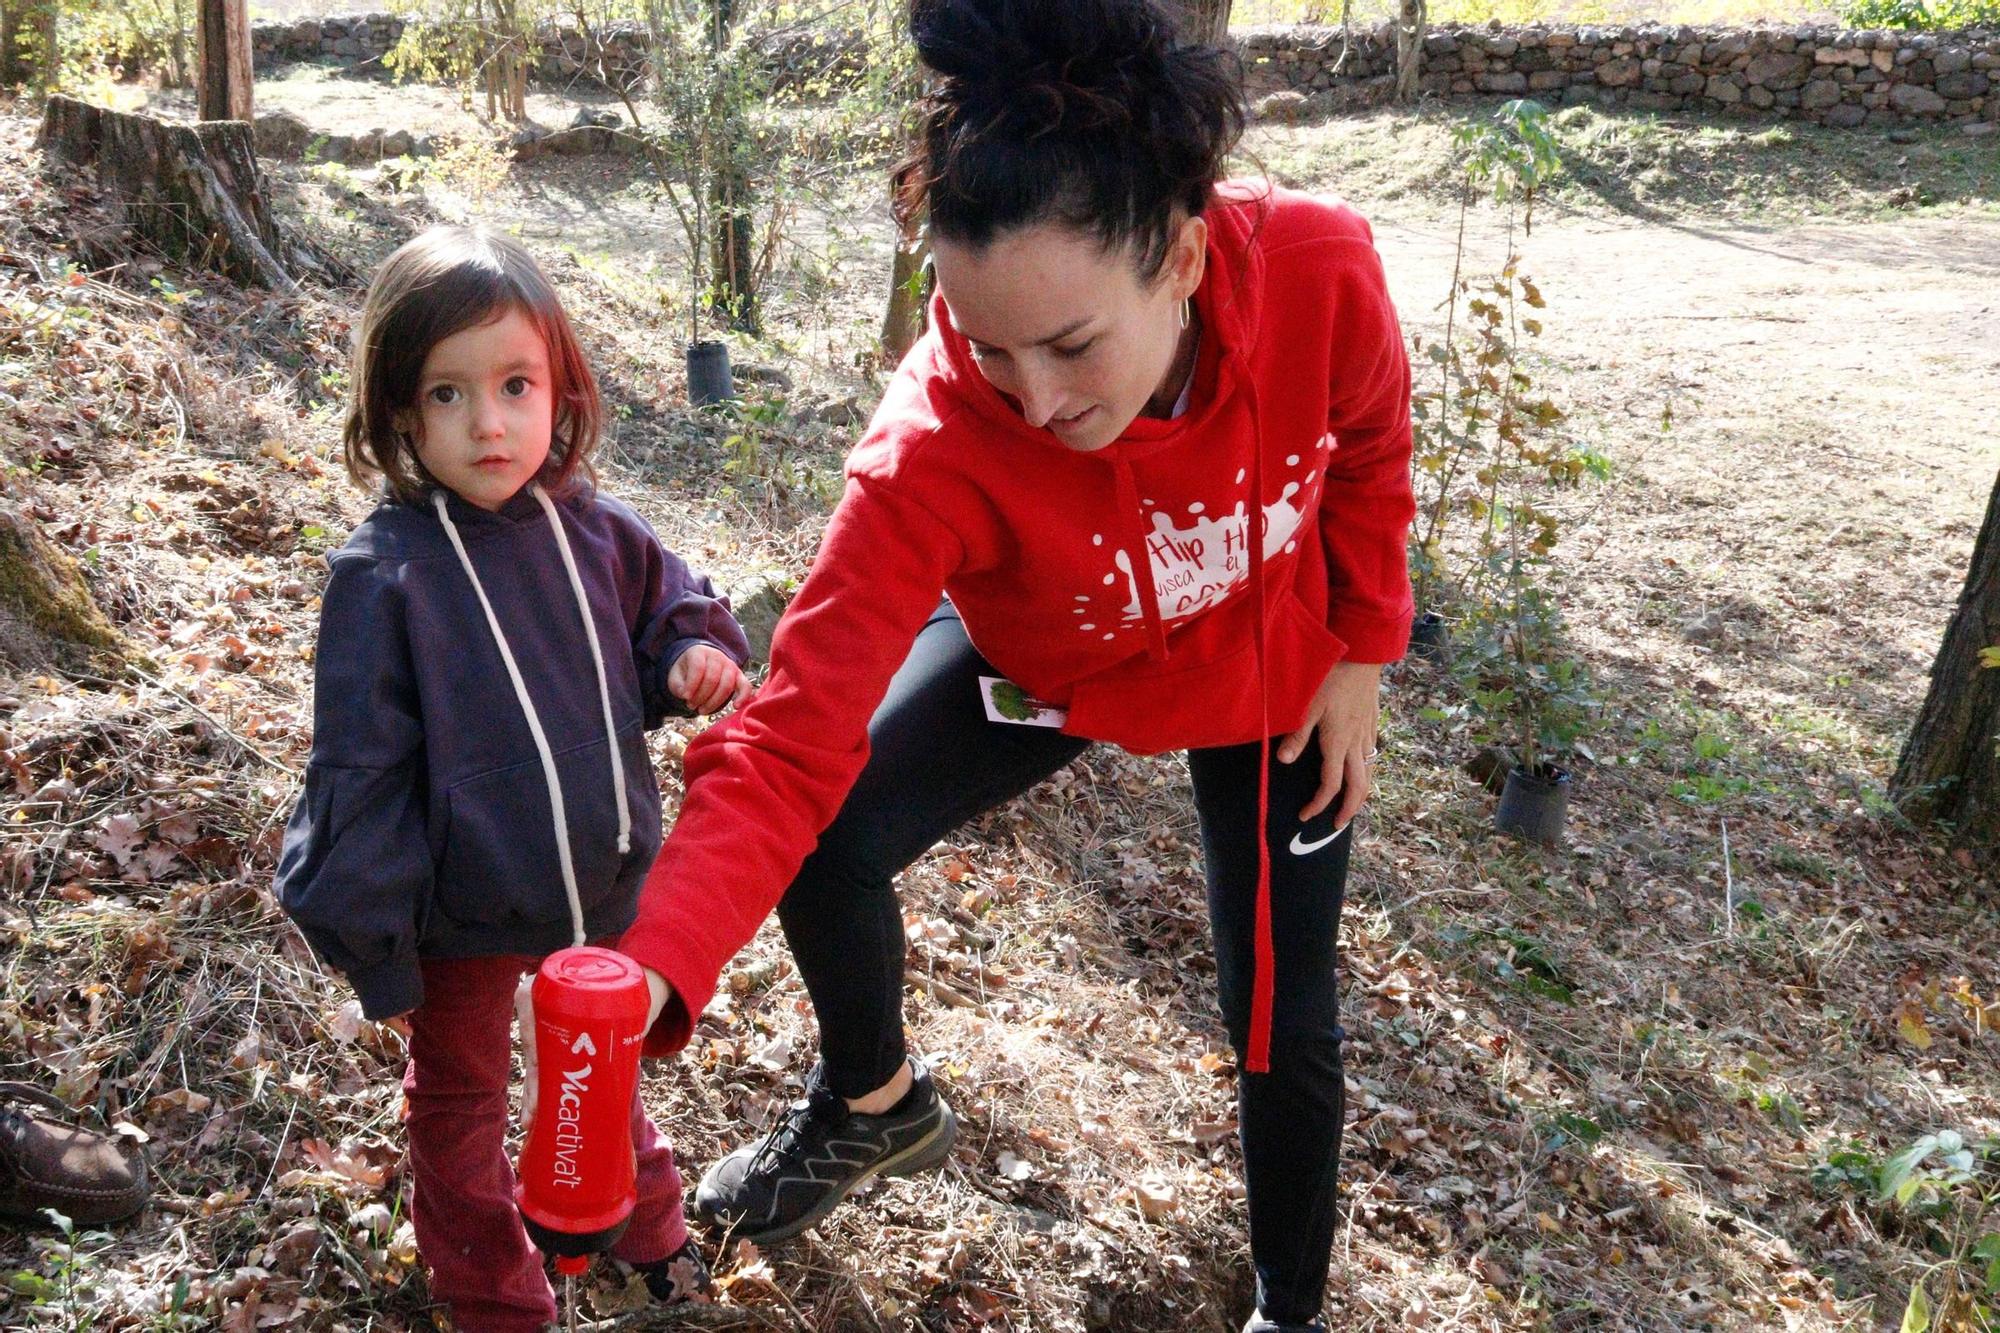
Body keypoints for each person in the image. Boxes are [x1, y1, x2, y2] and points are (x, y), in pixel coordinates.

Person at [621, 0, 1415, 1327]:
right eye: (990, 347)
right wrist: (650, 965)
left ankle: (1289, 1301)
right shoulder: (934, 440)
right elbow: (785, 733)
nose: (1035, 404)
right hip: (1053, 656)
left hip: (1266, 661)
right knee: (826, 830)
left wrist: (1366, 651)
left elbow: (1373, 442)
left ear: (1178, 253)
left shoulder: (1320, 271)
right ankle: (870, 1103)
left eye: (1070, 345)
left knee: (1278, 1009)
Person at [274, 226, 748, 1333]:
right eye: (447, 393)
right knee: (461, 1105)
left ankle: (644, 1228)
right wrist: (381, 949)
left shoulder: (587, 526)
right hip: (463, 915)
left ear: (559, 386)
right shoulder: (384, 576)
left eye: (515, 385)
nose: (489, 423)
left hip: (595, 882)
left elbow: (665, 601)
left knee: (602, 1074)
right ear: (398, 409)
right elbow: (360, 773)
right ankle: (493, 1294)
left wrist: (684, 654)